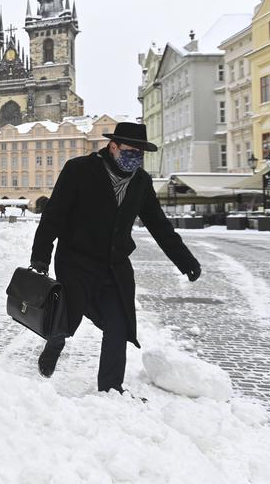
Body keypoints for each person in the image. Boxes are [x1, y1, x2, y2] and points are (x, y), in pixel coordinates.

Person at [29, 122, 202, 394]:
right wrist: (40, 256)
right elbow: (54, 216)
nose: (136, 157)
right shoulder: (79, 170)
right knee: (69, 318)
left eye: (140, 153)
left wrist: (186, 261)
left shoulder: (141, 181)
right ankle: (55, 341)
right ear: (113, 146)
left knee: (118, 324)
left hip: (114, 266)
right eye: (131, 150)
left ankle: (111, 388)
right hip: (77, 260)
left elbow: (158, 224)